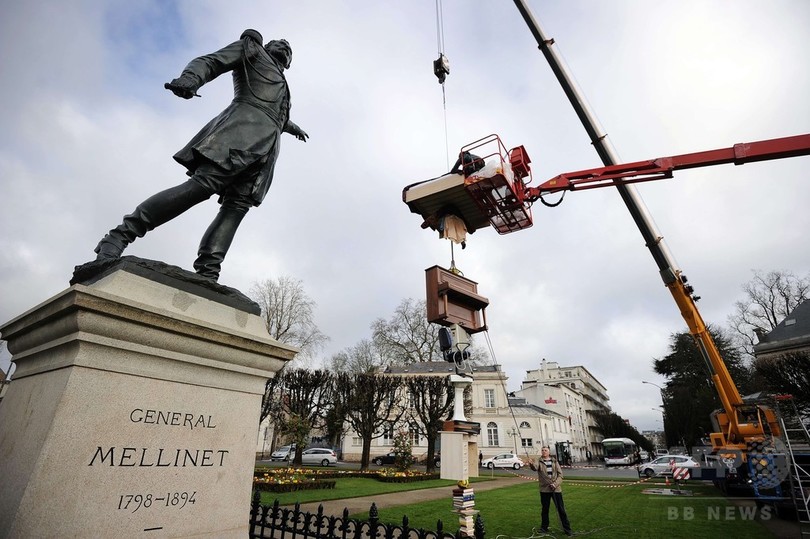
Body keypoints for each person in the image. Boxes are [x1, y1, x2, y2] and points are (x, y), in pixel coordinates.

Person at [94, 29, 308, 282]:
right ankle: (120, 235)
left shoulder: (284, 84)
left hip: (266, 152)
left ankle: (208, 273)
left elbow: (278, 115)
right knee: (200, 187)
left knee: (235, 209)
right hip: (237, 135)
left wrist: (292, 128)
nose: (284, 44)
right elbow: (211, 61)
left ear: (289, 63)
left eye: (289, 48)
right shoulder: (251, 50)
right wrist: (191, 78)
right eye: (279, 42)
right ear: (268, 46)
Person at [529, 446, 572, 536]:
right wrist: (531, 464)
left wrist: (555, 484)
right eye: (542, 450)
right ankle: (544, 528)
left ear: (549, 452)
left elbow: (560, 475)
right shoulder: (539, 460)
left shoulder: (554, 461)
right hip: (544, 490)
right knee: (545, 510)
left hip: (556, 489)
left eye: (545, 450)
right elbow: (535, 468)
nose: (544, 452)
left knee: (561, 509)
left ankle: (567, 529)